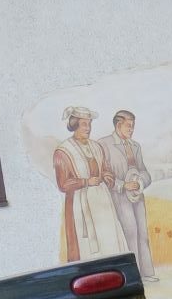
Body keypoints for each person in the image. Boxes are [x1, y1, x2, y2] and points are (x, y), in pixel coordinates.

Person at [54, 107, 128, 264]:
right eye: (83, 124)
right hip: (79, 206)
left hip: (102, 203)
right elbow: (63, 184)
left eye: (89, 124)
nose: (88, 128)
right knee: (86, 248)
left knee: (108, 240)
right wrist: (86, 182)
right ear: (74, 125)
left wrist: (107, 176)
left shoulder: (96, 147)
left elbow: (106, 169)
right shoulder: (63, 151)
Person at [99, 110, 158, 280]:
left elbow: (145, 173)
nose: (132, 129)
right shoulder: (104, 144)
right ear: (118, 125)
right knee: (130, 232)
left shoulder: (135, 146)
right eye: (129, 126)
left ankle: (146, 273)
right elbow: (104, 174)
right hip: (119, 196)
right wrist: (123, 185)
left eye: (133, 126)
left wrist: (140, 183)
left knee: (142, 233)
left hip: (137, 195)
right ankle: (133, 275)